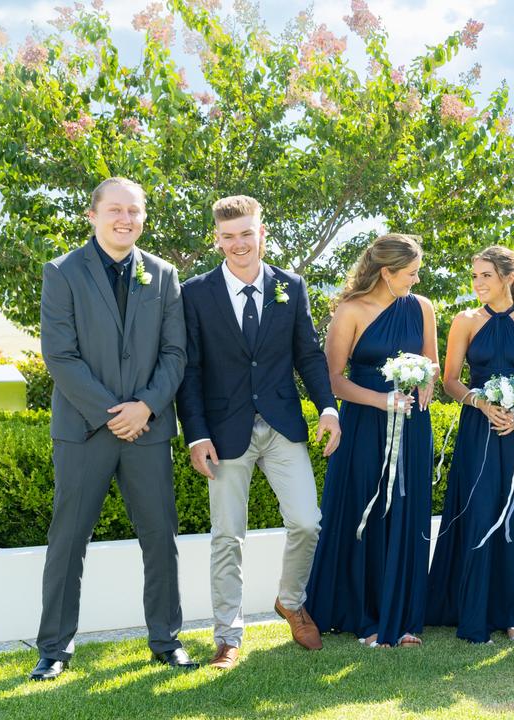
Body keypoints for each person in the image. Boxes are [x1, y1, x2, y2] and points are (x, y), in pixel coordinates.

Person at [33, 177, 192, 680]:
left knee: (159, 537)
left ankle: (166, 640)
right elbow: (60, 355)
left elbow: (175, 353)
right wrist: (112, 412)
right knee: (69, 538)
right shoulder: (61, 272)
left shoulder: (164, 275)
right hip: (83, 430)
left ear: (144, 217)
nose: (126, 219)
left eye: (135, 211)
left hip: (148, 429)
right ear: (93, 215)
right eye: (116, 210)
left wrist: (144, 407)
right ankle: (55, 648)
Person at [176, 195, 341, 668]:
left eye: (246, 233)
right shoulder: (196, 293)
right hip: (224, 431)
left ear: (262, 234)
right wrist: (196, 434)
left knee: (307, 521)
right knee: (228, 535)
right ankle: (228, 635)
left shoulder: (290, 286)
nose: (238, 244)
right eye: (228, 236)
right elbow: (190, 370)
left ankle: (290, 601)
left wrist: (327, 408)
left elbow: (308, 355)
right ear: (217, 239)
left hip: (282, 424)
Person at [303, 234, 438, 648]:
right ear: (386, 272)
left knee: (407, 512)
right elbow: (333, 380)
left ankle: (406, 616)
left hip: (412, 424)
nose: (416, 281)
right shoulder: (351, 311)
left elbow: (432, 362)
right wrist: (382, 400)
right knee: (367, 510)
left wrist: (427, 382)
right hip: (364, 424)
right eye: (411, 274)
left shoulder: (422, 307)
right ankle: (366, 617)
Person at [427, 245, 514, 643]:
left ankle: (513, 614)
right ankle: (474, 610)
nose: (477, 282)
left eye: (485, 275)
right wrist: (482, 404)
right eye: (475, 275)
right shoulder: (464, 320)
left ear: (508, 278)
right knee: (480, 512)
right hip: (479, 431)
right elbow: (450, 381)